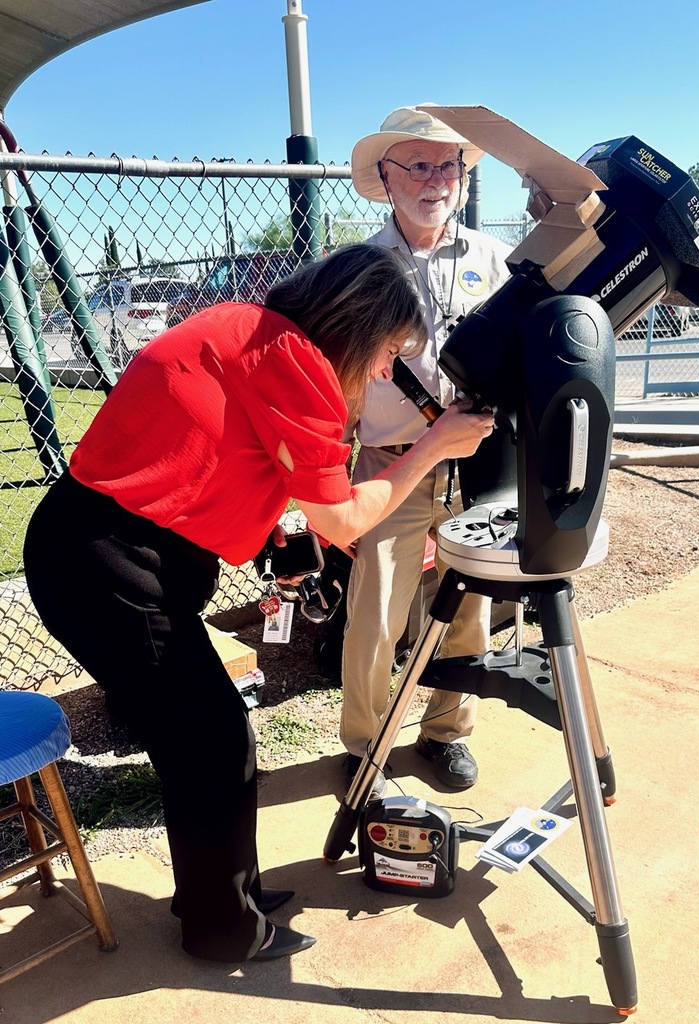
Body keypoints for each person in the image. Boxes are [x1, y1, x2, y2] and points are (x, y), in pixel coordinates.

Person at [22, 244, 495, 966]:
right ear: (356, 324)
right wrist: (432, 445)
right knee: (212, 743)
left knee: (202, 742)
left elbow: (230, 452)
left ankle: (221, 893)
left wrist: (281, 532)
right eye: (384, 352)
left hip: (99, 550)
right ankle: (222, 929)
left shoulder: (246, 327)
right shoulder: (296, 361)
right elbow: (343, 519)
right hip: (108, 563)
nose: (379, 372)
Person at [340, 106, 514, 794]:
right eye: (418, 164)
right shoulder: (359, 269)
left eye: (449, 165)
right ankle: (365, 744)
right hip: (391, 463)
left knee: (468, 603)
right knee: (375, 613)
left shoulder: (495, 261)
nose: (436, 178)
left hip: (472, 460)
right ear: (386, 177)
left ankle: (447, 730)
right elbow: (338, 380)